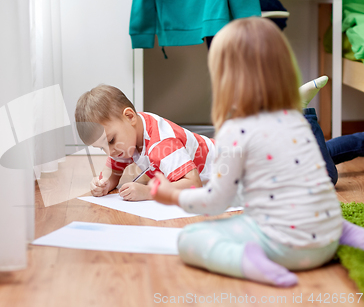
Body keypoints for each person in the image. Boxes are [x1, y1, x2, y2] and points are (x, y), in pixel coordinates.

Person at [149, 17, 364, 287]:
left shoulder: (234, 131)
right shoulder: (295, 119)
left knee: (191, 237)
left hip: (290, 249)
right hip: (328, 236)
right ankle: (348, 232)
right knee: (312, 204)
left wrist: (174, 196)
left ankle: (248, 262)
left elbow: (216, 202)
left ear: (223, 77)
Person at [74, 84, 216, 201]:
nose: (110, 152)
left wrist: (149, 192)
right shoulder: (128, 135)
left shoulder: (162, 143)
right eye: (101, 148)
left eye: (111, 141)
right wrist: (103, 183)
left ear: (129, 117)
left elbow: (193, 184)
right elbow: (113, 171)